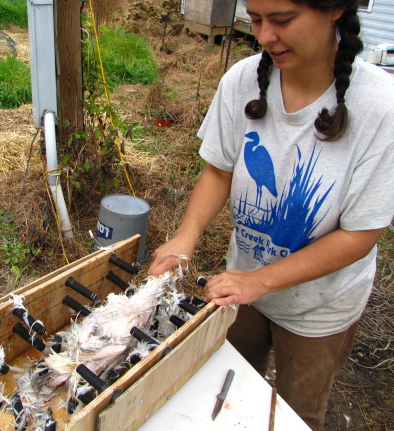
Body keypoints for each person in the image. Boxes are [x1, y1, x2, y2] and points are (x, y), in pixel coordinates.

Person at [148, 0, 394, 429]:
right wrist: (185, 237)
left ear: (335, 8)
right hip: (240, 284)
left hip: (320, 307)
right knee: (224, 386)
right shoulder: (243, 80)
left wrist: (260, 281)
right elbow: (218, 170)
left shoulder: (380, 107)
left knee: (297, 413)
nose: (264, 36)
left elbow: (361, 234)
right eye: (256, 19)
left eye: (281, 20)